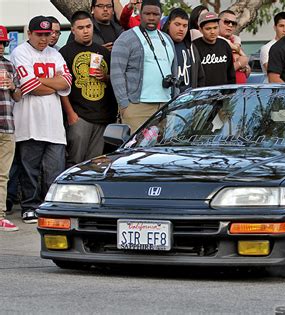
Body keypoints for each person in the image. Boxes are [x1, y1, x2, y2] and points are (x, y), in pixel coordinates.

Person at [10, 16, 72, 223]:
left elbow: (66, 82)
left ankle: (50, 207)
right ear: (30, 34)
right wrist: (52, 83)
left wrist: (42, 81)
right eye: (40, 34)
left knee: (55, 169)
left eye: (48, 34)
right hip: (29, 121)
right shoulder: (20, 52)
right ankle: (29, 206)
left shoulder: (54, 53)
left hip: (54, 123)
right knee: (30, 169)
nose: (44, 39)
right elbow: (30, 87)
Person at [60, 11, 117, 167]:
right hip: (80, 116)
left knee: (96, 165)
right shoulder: (65, 52)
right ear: (72, 30)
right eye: (80, 28)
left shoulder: (104, 52)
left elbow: (115, 81)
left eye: (88, 26)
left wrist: (105, 77)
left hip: (103, 117)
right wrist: (71, 114)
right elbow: (62, 88)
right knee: (74, 163)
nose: (85, 31)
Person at [111, 0, 177, 133]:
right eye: (147, 13)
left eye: (155, 14)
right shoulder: (127, 38)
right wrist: (124, 105)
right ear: (140, 14)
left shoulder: (167, 39)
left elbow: (173, 69)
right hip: (137, 106)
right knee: (137, 151)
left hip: (166, 104)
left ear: (161, 15)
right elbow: (116, 72)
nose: (151, 17)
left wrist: (174, 98)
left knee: (163, 151)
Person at [0, 25, 21, 232]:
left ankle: (0, 215)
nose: (0, 46)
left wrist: (13, 86)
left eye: (3, 43)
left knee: (3, 175)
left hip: (7, 125)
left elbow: (18, 97)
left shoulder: (8, 65)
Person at [161, 8, 205, 93]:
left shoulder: (191, 48)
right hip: (165, 101)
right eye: (177, 24)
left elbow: (200, 77)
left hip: (188, 102)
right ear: (169, 24)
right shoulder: (160, 46)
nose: (181, 29)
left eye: (185, 26)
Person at [192, 11, 235, 87]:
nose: (212, 32)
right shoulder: (194, 47)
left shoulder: (224, 45)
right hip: (202, 95)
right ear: (200, 29)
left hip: (223, 95)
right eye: (208, 29)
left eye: (215, 28)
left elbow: (231, 73)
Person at [218, 10, 250, 83]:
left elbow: (248, 73)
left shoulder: (236, 42)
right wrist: (239, 64)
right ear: (217, 22)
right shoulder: (215, 43)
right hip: (225, 91)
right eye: (226, 22)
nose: (230, 25)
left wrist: (246, 68)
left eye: (233, 23)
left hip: (241, 91)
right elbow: (219, 73)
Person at [259, 12, 285, 81]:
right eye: (281, 26)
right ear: (275, 27)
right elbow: (273, 73)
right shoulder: (267, 48)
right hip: (272, 89)